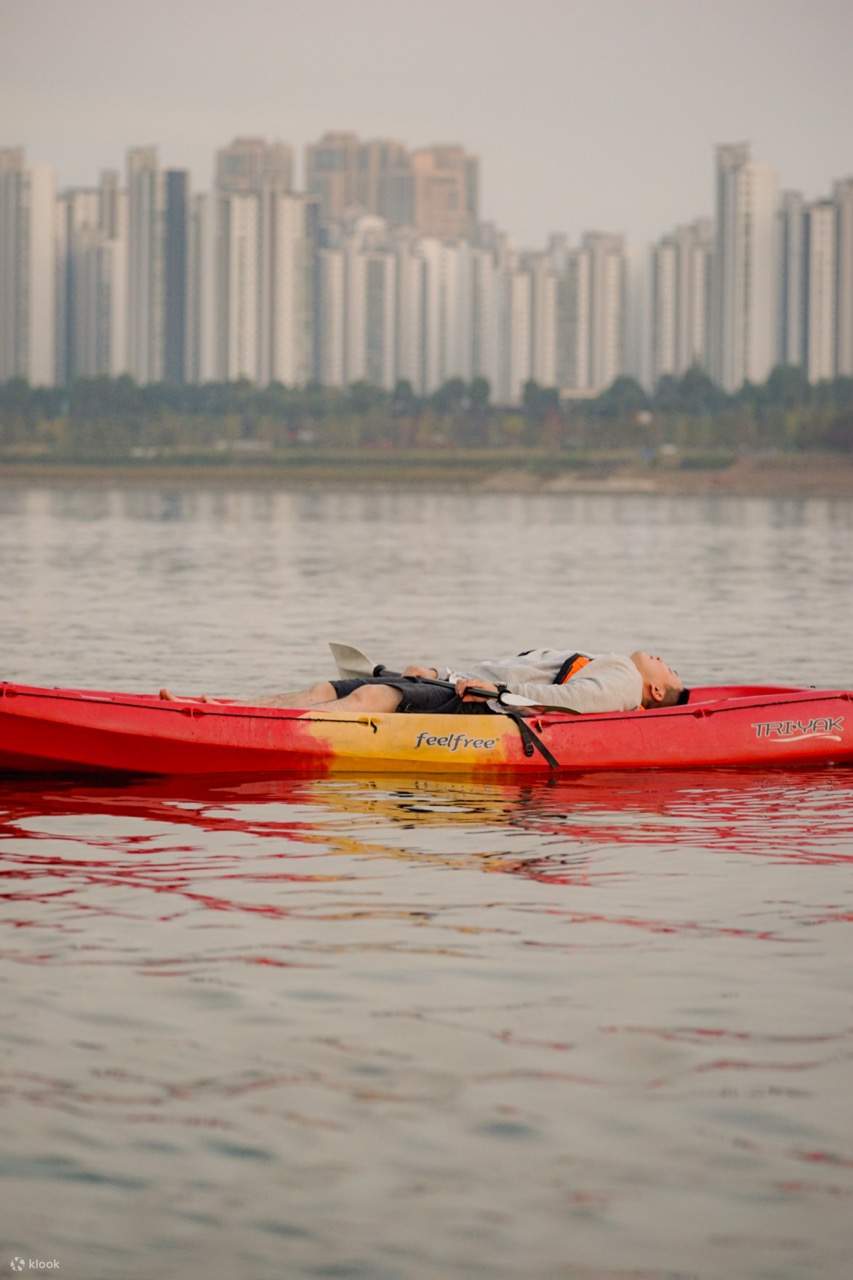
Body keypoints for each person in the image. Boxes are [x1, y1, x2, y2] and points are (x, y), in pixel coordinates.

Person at [160, 648, 685, 716]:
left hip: (489, 709)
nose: (661, 658)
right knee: (329, 688)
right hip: (466, 686)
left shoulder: (621, 678)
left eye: (669, 667)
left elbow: (572, 703)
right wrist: (439, 672)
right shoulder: (600, 661)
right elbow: (500, 666)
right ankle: (227, 708)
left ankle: (235, 722)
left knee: (374, 696)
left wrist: (494, 693)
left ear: (655, 691)